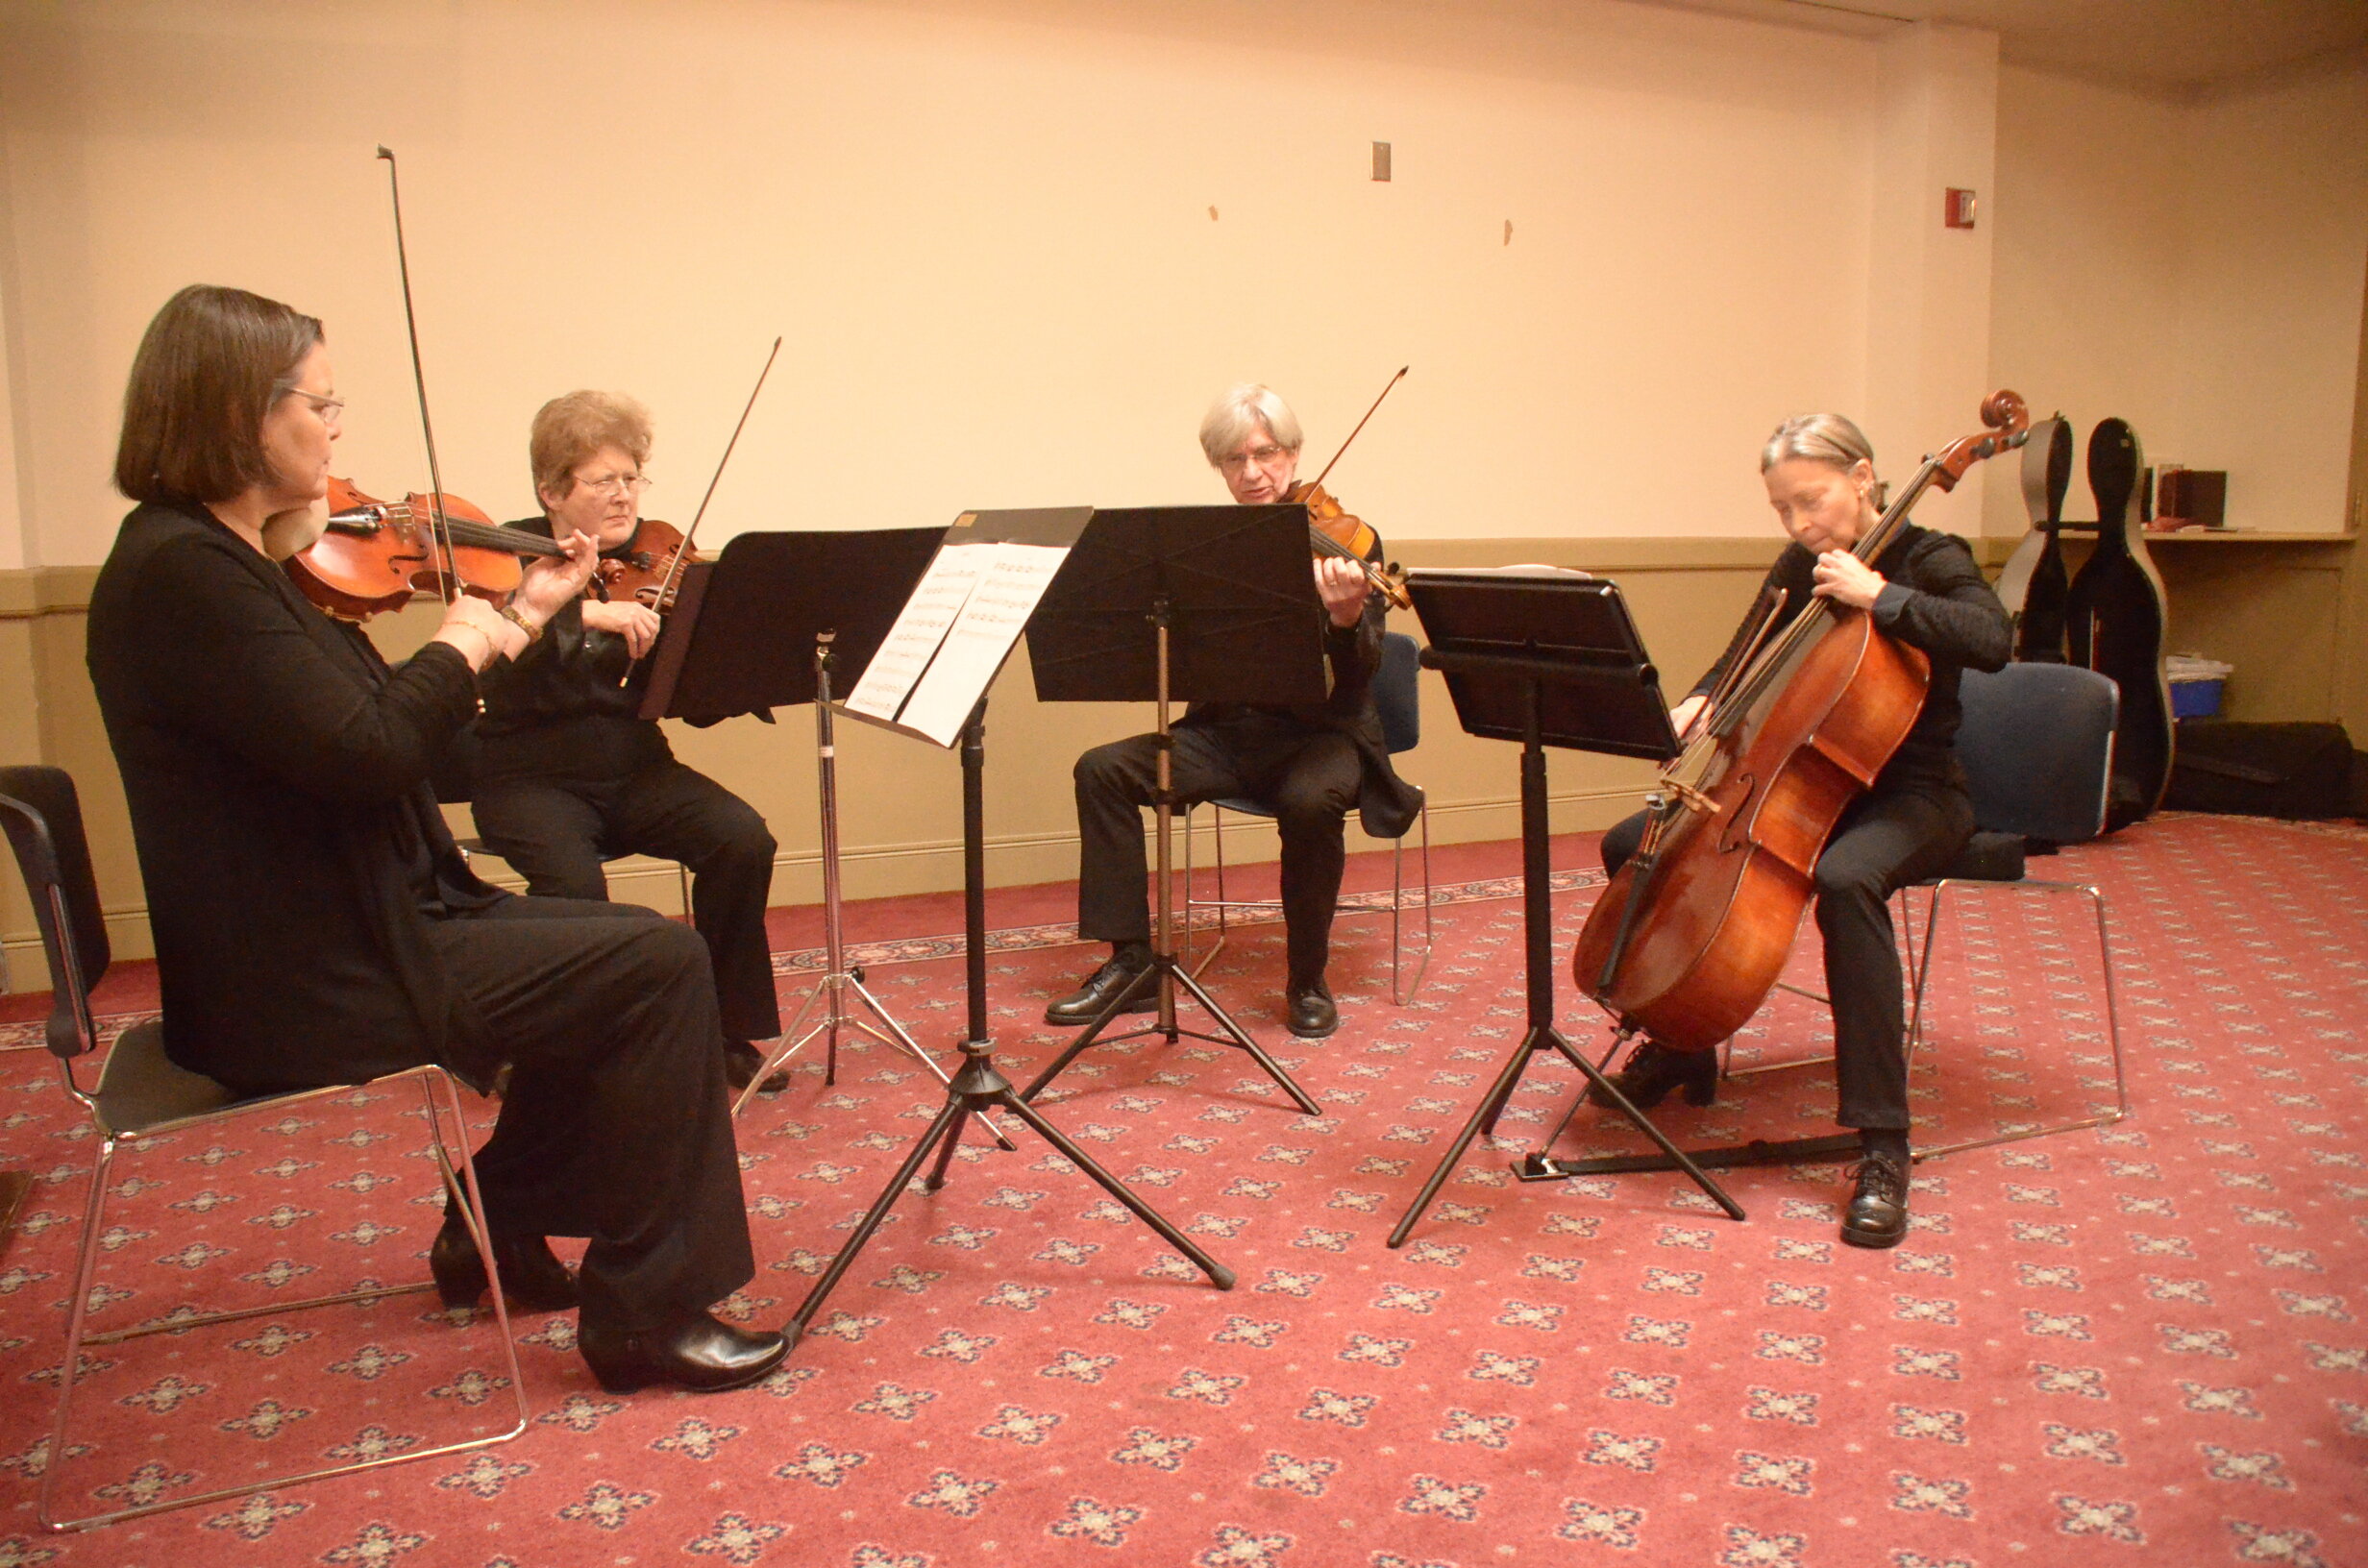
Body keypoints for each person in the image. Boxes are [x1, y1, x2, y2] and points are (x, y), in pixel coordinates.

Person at [86, 284, 785, 1392]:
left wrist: (518, 618)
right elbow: (366, 750)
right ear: (240, 415)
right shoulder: (182, 575)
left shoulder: (231, 563)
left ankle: (492, 1226)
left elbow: (388, 749)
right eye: (321, 402)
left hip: (366, 919)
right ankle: (647, 1312)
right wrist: (467, 634)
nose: (337, 426)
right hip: (309, 969)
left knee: (600, 951)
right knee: (657, 960)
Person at [1588, 412, 2010, 1249]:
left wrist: (1881, 597)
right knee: (1630, 842)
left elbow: (1993, 639)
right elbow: (1746, 652)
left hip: (1913, 793)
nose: (1799, 526)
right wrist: (1705, 698)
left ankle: (1884, 1143)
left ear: (1862, 477)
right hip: (1797, 779)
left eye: (1810, 502)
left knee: (1849, 881)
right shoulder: (1800, 565)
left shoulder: (1933, 558)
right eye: (1783, 510)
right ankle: (1684, 1040)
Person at [1049, 384, 1419, 1040]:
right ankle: (1132, 962)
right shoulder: (1209, 546)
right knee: (1101, 769)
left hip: (1320, 737)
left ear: (1294, 452)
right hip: (1226, 735)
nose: (1251, 473)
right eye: (1234, 461)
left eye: (1266, 454)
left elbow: (1361, 672)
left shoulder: (1347, 539)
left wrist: (1344, 617)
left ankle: (1307, 978)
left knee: (1310, 802)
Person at [468, 391, 784, 1094]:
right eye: (603, 480)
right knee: (577, 889)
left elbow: (682, 702)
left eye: (632, 477)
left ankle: (723, 1027)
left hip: (636, 770)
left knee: (741, 839)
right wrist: (587, 612)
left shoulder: (655, 562)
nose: (624, 496)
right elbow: (495, 640)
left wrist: (723, 674)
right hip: (529, 778)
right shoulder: (503, 559)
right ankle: (574, 1048)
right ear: (550, 491)